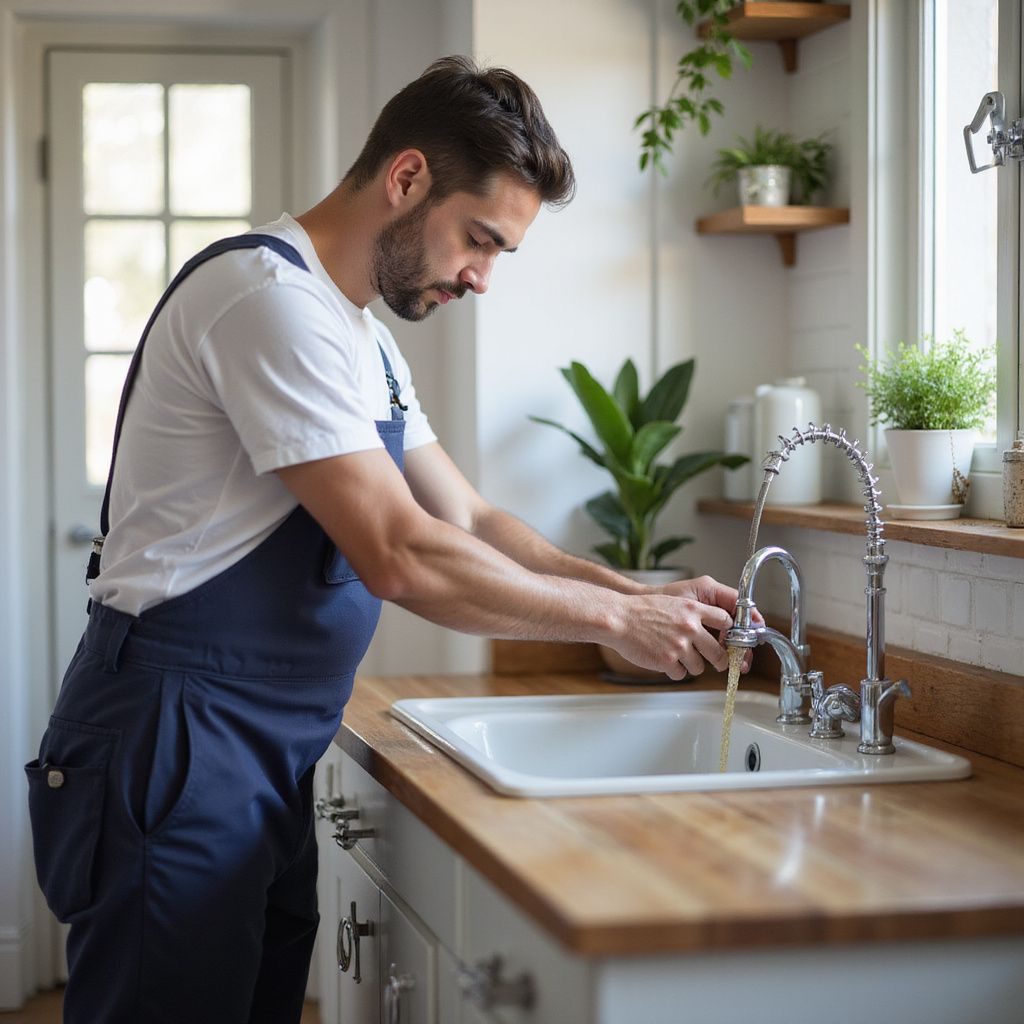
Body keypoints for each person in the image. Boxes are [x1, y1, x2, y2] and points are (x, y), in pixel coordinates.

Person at [26, 55, 743, 1024]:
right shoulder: (265, 298)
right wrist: (610, 617)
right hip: (178, 733)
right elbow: (398, 552)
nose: (481, 277)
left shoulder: (360, 337)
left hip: (264, 742)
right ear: (407, 179)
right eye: (478, 240)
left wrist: (635, 593)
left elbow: (471, 519)